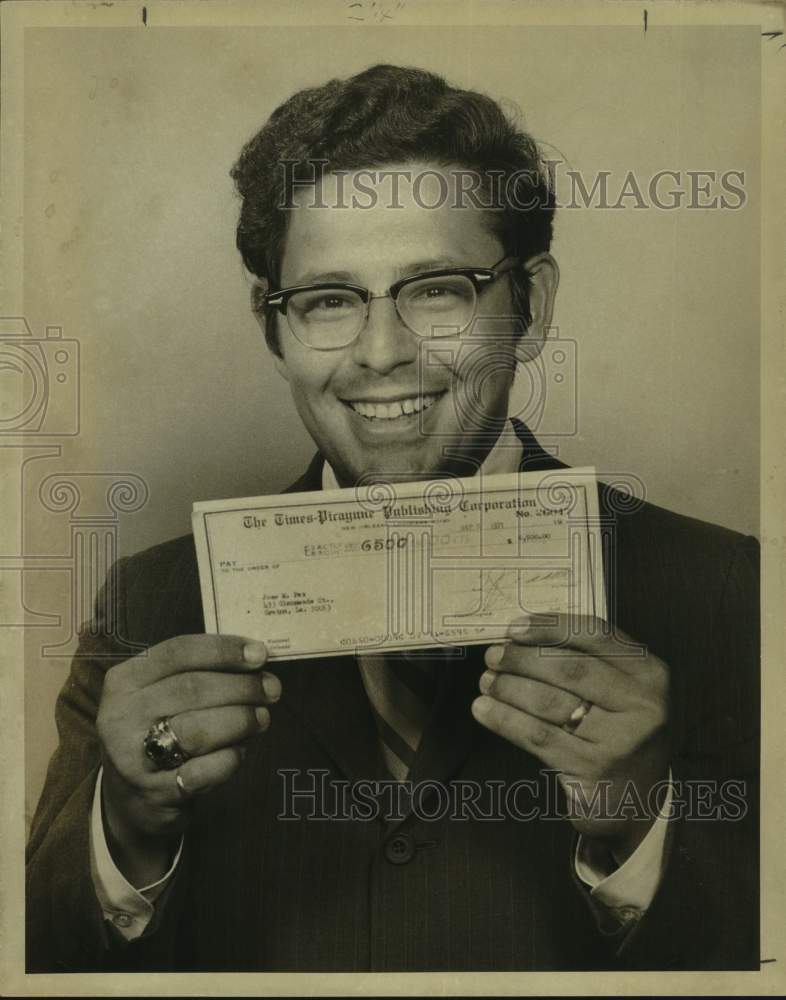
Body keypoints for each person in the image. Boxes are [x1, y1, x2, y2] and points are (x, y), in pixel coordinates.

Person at [26, 64, 759, 973]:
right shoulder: (150, 603)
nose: (382, 355)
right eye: (329, 300)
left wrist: (647, 827)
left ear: (532, 304)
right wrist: (127, 831)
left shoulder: (731, 592)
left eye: (438, 289)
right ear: (274, 327)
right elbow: (39, 958)